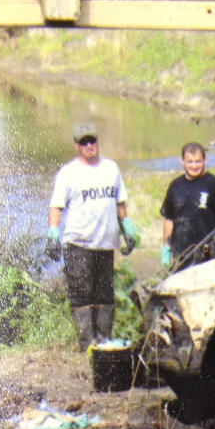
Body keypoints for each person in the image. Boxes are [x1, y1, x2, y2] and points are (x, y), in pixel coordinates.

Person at [45, 122, 139, 352]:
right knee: (81, 293)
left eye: (92, 141)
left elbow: (120, 202)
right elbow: (56, 206)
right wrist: (53, 233)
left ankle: (104, 340)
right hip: (78, 242)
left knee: (104, 293)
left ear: (98, 141)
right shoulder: (68, 172)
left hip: (105, 242)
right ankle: (87, 343)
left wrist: (127, 227)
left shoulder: (111, 168)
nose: (89, 145)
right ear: (77, 145)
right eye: (84, 142)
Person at [160, 142, 215, 269]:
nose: (194, 166)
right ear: (182, 161)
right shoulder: (175, 186)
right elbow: (169, 219)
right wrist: (166, 248)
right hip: (181, 254)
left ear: (205, 160)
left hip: (208, 254)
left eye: (198, 161)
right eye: (190, 162)